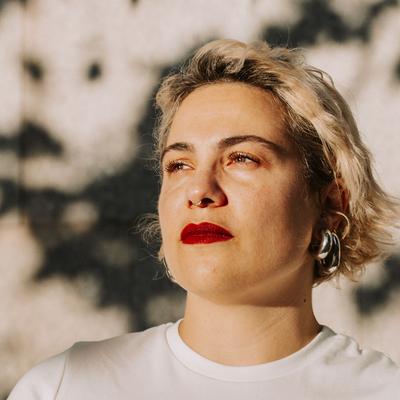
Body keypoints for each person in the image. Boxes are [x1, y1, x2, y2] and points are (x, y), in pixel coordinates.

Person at [8, 39, 399, 399]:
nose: (199, 190)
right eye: (179, 165)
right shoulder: (63, 387)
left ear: (330, 205)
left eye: (242, 158)